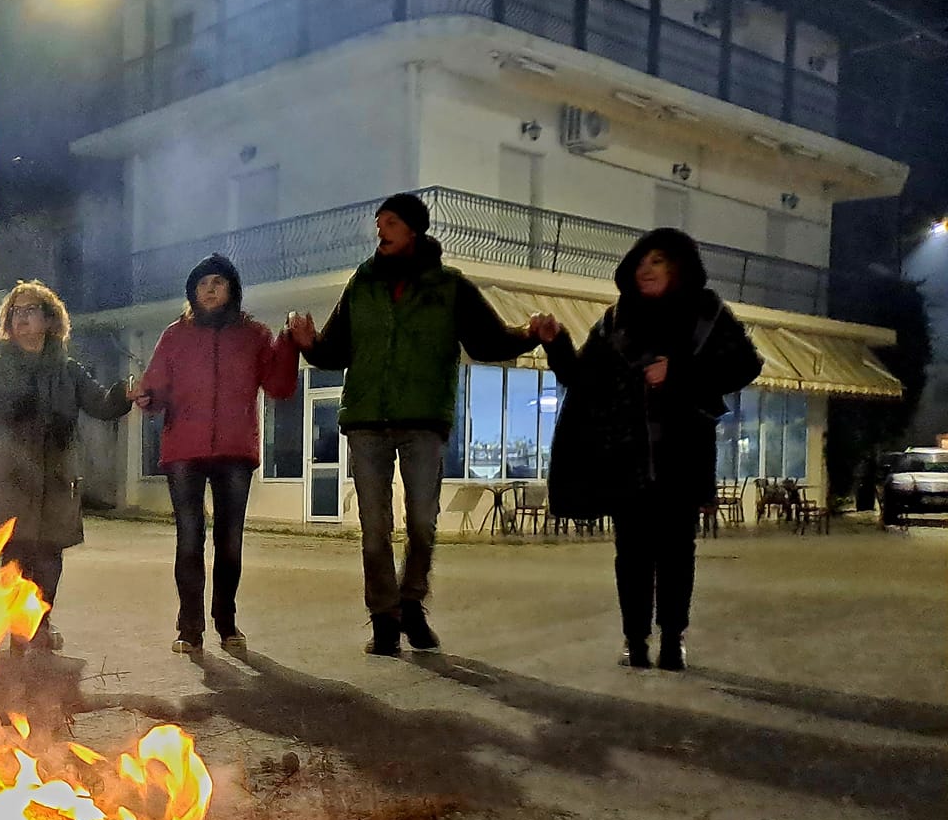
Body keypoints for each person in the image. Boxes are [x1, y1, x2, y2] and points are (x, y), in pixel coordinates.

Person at [288, 192, 543, 656]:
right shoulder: (360, 285)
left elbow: (486, 341)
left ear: (413, 229)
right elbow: (336, 351)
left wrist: (528, 336)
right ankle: (384, 618)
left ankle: (412, 603)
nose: (380, 229)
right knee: (374, 527)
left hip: (424, 420)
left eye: (390, 222)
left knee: (423, 522)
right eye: (378, 222)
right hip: (366, 421)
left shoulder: (449, 286)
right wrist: (309, 343)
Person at [541, 228, 762, 671]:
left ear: (678, 266)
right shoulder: (616, 320)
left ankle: (672, 639)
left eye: (657, 260)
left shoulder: (708, 314)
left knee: (678, 551)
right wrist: (556, 341)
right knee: (633, 553)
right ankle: (635, 640)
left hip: (683, 456)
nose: (646, 269)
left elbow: (745, 364)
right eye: (641, 261)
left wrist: (678, 372)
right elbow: (582, 378)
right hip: (626, 459)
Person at [0, 280, 136, 651]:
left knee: (50, 562)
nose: (22, 319)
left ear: (49, 319)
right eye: (16, 312)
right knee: (16, 561)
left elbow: (101, 405)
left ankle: (40, 621)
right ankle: (21, 633)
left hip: (55, 481)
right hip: (10, 483)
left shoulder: (68, 371)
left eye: (30, 311)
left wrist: (126, 393)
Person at [137, 252, 299, 654]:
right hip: (184, 451)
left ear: (232, 290)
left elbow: (279, 386)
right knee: (189, 537)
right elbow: (155, 388)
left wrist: (291, 343)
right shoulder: (175, 335)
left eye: (218, 283)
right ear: (192, 291)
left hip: (234, 451)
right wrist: (146, 396)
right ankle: (189, 626)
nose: (209, 289)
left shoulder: (255, 335)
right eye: (203, 283)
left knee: (230, 540)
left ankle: (226, 620)